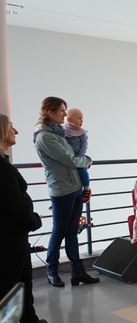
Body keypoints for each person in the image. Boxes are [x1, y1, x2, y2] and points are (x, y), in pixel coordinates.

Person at [33, 96, 100, 287]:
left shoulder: (58, 133)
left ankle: (78, 272)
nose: (64, 114)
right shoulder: (45, 137)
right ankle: (52, 271)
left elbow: (72, 157)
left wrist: (83, 183)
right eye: (62, 110)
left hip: (75, 188)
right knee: (59, 232)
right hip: (62, 190)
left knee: (72, 232)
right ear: (50, 112)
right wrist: (87, 160)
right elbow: (70, 160)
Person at [0, 115, 47, 323]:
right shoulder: (2, 168)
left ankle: (30, 321)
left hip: (15, 234)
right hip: (9, 235)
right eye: (11, 127)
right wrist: (34, 220)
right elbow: (14, 205)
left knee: (23, 279)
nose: (16, 131)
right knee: (9, 284)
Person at [63, 108, 91, 203]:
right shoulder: (64, 130)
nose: (81, 121)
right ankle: (63, 197)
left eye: (82, 119)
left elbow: (84, 145)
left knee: (82, 171)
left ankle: (87, 189)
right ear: (69, 120)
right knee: (65, 175)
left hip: (79, 157)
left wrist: (80, 157)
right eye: (79, 118)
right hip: (69, 157)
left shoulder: (81, 132)